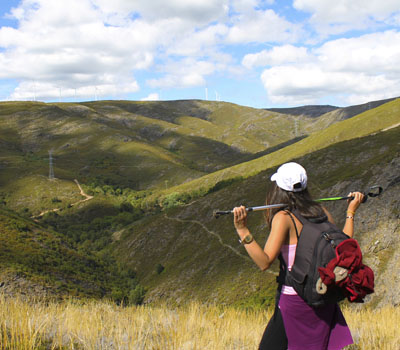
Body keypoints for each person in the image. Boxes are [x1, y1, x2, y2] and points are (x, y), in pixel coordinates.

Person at [233, 162, 365, 350]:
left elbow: (264, 262)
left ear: (280, 190)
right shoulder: (322, 212)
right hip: (322, 297)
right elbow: (343, 246)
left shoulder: (284, 218)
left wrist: (242, 230)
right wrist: (351, 212)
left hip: (294, 300)